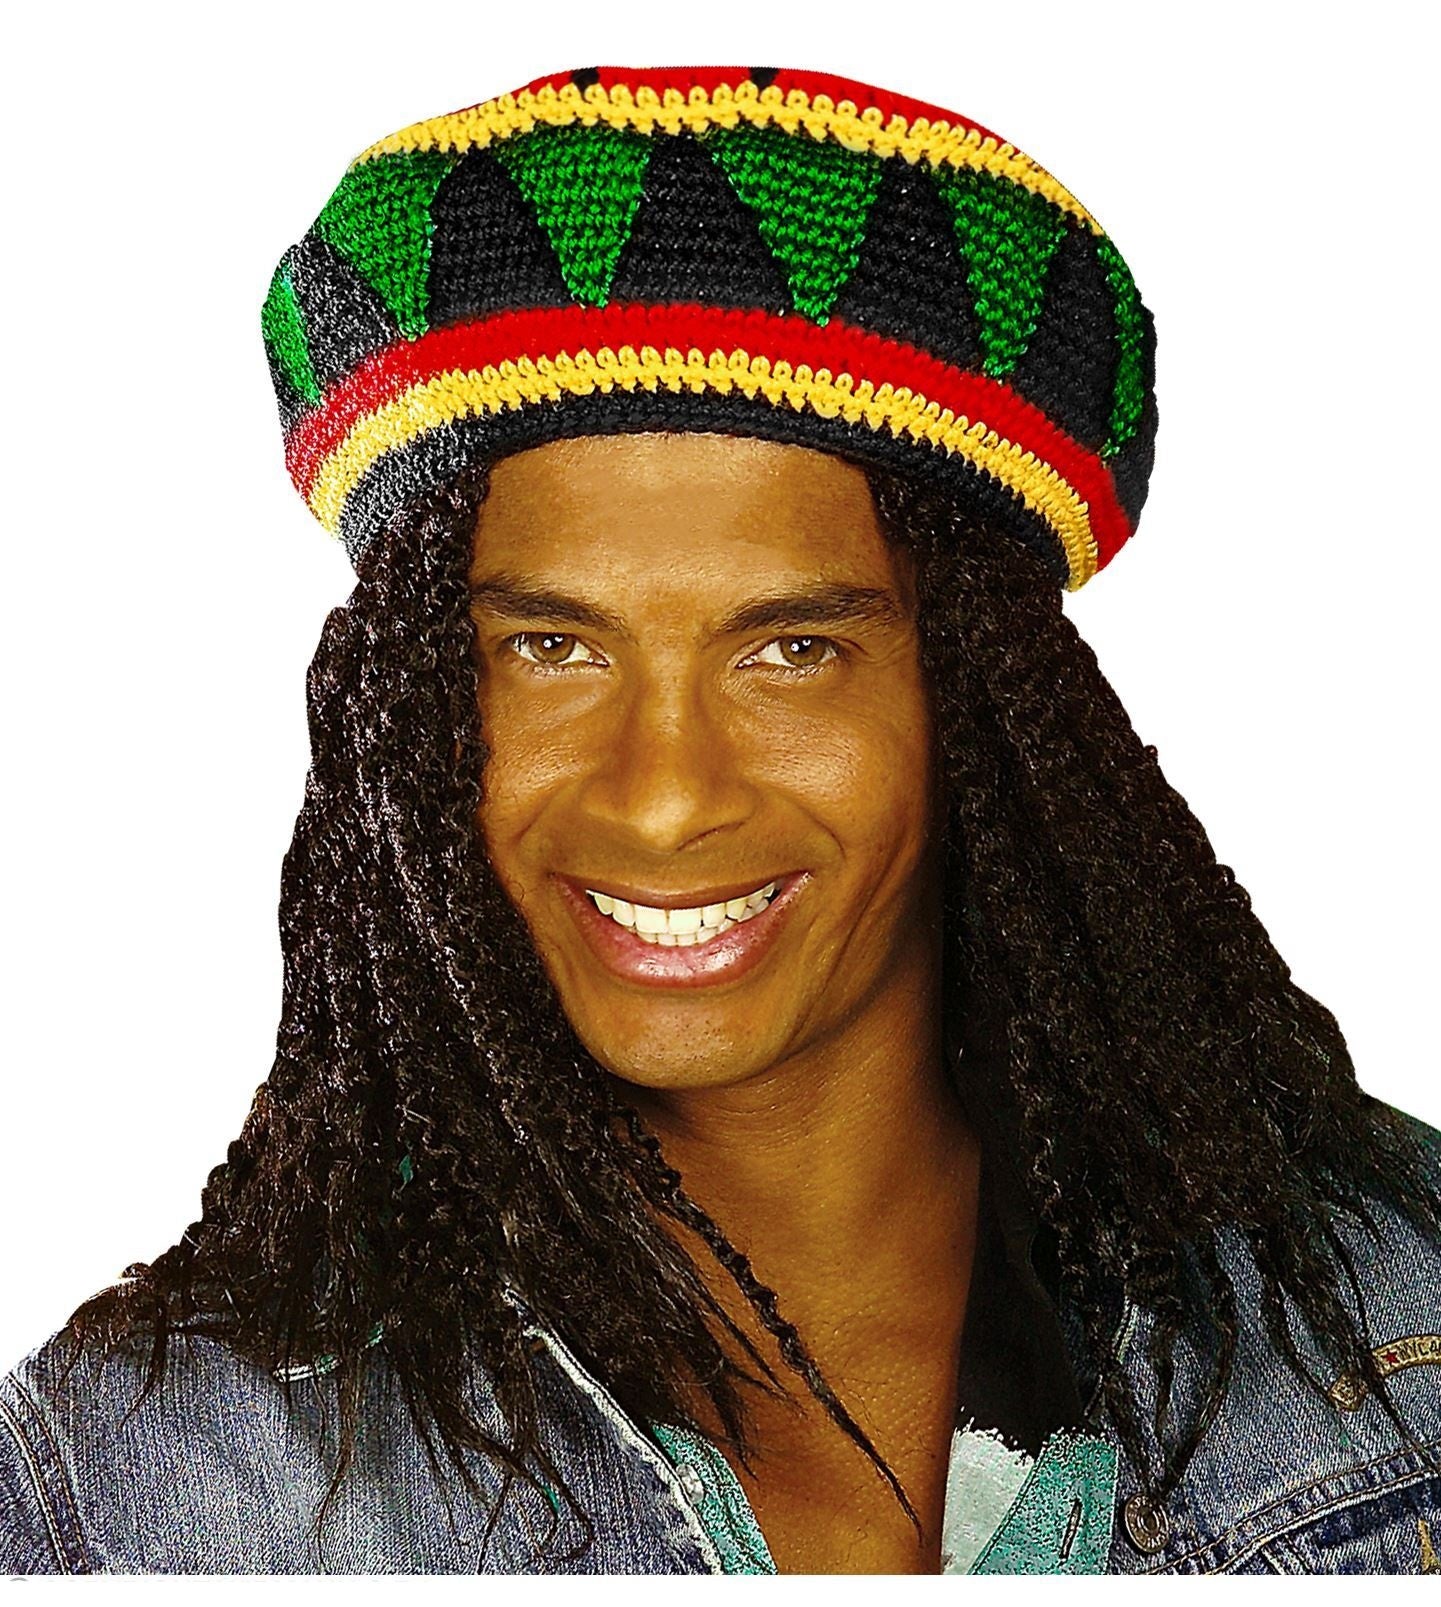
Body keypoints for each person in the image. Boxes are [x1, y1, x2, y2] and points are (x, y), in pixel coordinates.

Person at [3, 64, 1439, 1577]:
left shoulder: (1403, 1328)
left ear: (980, 708)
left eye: (791, 650)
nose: (666, 790)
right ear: (415, 712)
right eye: (549, 648)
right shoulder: (136, 1486)